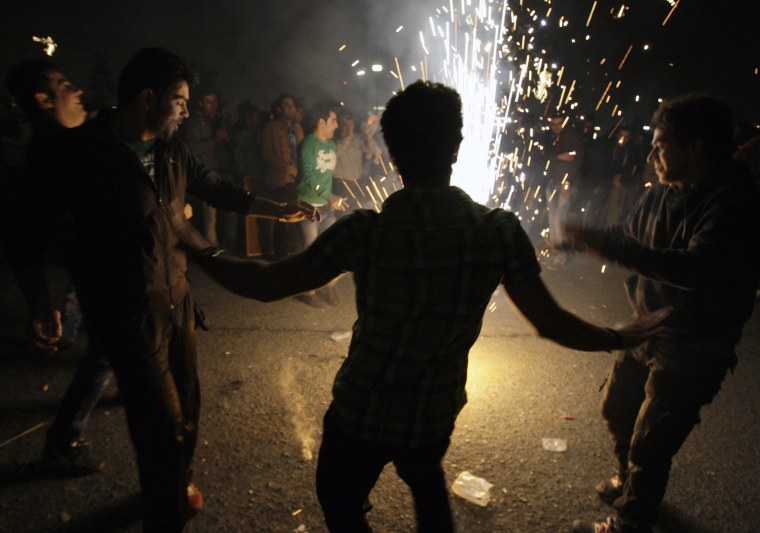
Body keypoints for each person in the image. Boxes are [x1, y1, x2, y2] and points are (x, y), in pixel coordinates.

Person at [197, 80, 671, 533]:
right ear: (456, 148)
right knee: (426, 484)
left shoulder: (366, 231)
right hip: (432, 414)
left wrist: (196, 247)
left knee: (341, 504)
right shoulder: (499, 231)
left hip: (362, 413)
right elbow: (550, 322)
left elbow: (265, 284)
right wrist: (615, 336)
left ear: (392, 153)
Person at [8, 47, 316, 533]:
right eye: (180, 100)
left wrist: (277, 209)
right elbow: (25, 232)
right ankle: (164, 508)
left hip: (178, 304)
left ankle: (173, 483)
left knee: (188, 414)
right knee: (162, 433)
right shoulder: (81, 151)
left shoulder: (172, 148)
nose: (187, 111)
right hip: (125, 315)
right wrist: (42, 307)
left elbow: (214, 185)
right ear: (148, 98)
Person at [564, 94, 760, 533]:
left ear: (696, 147)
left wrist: (610, 245)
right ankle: (631, 481)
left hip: (696, 340)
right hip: (646, 328)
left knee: (652, 441)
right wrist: (585, 238)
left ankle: (633, 521)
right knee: (616, 409)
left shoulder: (734, 200)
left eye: (662, 144)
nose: (651, 154)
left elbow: (697, 269)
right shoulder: (659, 196)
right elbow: (630, 237)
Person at [182, 87, 234, 248]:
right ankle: (212, 252)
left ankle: (229, 247)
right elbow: (192, 149)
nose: (212, 106)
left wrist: (226, 140)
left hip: (225, 171)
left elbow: (232, 146)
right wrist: (215, 139)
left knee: (231, 212)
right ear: (200, 103)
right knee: (210, 218)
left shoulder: (220, 120)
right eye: (208, 102)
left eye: (214, 102)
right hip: (208, 173)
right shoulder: (195, 122)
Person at [259, 93, 302, 259]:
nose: (290, 108)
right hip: (278, 181)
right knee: (280, 219)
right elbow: (267, 153)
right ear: (279, 109)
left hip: (296, 181)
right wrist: (287, 168)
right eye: (286, 105)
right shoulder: (271, 127)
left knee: (295, 219)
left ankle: (293, 254)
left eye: (292, 104)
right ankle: (279, 256)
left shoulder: (298, 128)